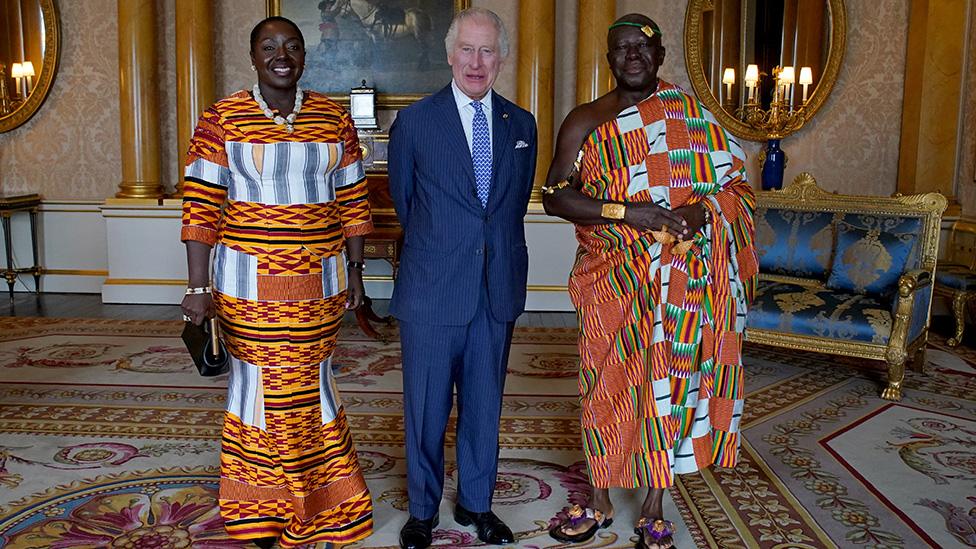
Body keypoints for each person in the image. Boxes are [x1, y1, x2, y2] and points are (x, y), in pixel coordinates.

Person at [541, 14, 758, 549]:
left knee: (671, 385)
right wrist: (627, 213)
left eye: (643, 47)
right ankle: (599, 496)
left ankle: (656, 501)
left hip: (681, 280)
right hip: (611, 279)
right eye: (621, 48)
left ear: (660, 56)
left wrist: (703, 216)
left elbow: (736, 189)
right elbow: (554, 196)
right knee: (605, 383)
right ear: (609, 58)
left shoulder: (694, 116)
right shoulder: (585, 120)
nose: (632, 55)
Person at [180, 16, 373, 549]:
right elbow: (200, 207)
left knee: (313, 384)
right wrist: (198, 288)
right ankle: (259, 509)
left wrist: (357, 271)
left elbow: (354, 202)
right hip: (246, 288)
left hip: (321, 285)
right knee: (257, 389)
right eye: (269, 46)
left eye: (291, 45)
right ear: (254, 57)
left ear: (305, 55)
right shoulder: (222, 118)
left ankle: (327, 502)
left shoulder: (334, 118)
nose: (280, 55)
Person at [387, 7, 538, 549]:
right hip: (431, 289)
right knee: (426, 409)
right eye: (467, 50)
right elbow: (406, 203)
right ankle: (423, 512)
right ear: (450, 54)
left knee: (484, 405)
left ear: (502, 58)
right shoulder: (416, 121)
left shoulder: (521, 124)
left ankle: (477, 505)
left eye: (488, 51)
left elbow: (511, 205)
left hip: (494, 289)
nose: (477, 62)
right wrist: (445, 247)